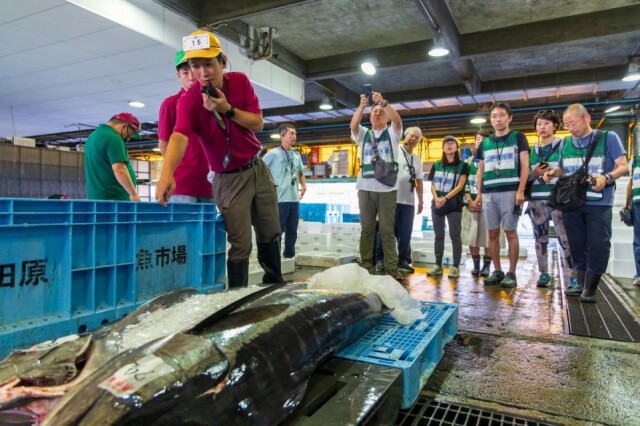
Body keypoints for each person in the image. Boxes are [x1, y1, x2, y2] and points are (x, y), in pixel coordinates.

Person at [155, 30, 284, 288]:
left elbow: (257, 123)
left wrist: (227, 109)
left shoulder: (240, 82)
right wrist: (166, 173)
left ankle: (274, 283)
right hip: (227, 178)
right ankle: (236, 297)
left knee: (270, 230)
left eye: (208, 64)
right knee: (240, 242)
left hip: (257, 167)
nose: (203, 72)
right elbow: (179, 136)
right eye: (195, 66)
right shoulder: (188, 101)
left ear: (222, 61)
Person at [548, 104, 627, 302]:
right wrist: (552, 173)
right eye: (566, 124)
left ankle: (591, 287)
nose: (570, 128)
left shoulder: (608, 138)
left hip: (599, 203)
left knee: (598, 244)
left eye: (572, 123)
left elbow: (623, 166)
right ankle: (581, 282)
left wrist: (607, 178)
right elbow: (562, 168)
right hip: (572, 202)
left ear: (586, 118)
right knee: (576, 243)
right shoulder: (566, 143)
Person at [350, 90, 403, 282]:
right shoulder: (364, 134)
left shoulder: (392, 132)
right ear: (370, 116)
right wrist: (362, 106)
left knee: (388, 230)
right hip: (365, 187)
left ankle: (391, 268)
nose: (378, 113)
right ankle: (366, 264)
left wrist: (384, 102)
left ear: (386, 116)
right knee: (367, 229)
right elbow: (353, 125)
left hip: (387, 188)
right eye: (374, 112)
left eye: (381, 112)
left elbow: (397, 121)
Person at [475, 102, 530, 287]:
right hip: (489, 193)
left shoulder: (518, 137)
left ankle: (512, 273)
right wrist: (479, 193)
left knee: (511, 232)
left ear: (509, 117)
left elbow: (525, 166)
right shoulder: (485, 143)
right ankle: (497, 270)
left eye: (501, 115)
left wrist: (521, 190)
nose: (497, 119)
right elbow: (480, 171)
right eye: (494, 116)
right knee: (492, 234)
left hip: (510, 191)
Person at [526, 110, 577, 288]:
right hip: (536, 200)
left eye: (547, 123)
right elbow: (525, 177)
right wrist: (534, 174)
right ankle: (544, 273)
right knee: (540, 238)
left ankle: (573, 275)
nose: (542, 127)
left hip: (559, 200)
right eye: (539, 123)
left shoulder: (564, 145)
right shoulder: (532, 150)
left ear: (555, 125)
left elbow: (569, 169)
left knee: (566, 237)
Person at [158, 50, 213, 204]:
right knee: (185, 228)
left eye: (193, 70)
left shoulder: (214, 102)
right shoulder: (171, 104)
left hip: (212, 184)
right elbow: (164, 146)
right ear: (178, 76)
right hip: (183, 186)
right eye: (185, 72)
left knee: (212, 228)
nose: (191, 77)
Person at [374, 127, 424, 273]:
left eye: (417, 138)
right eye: (411, 135)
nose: (413, 139)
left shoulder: (417, 159)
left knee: (405, 232)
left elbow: (419, 182)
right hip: (391, 199)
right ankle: (380, 259)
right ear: (405, 136)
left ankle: (402, 260)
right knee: (386, 231)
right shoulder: (394, 152)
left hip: (408, 202)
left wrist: (421, 201)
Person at [263, 123, 307, 259]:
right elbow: (260, 170)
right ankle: (275, 258)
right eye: (291, 133)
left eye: (295, 134)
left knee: (292, 231)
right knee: (278, 231)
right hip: (280, 199)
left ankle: (289, 257)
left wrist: (304, 185)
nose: (294, 136)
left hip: (294, 199)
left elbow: (300, 172)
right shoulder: (273, 154)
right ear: (283, 135)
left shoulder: (296, 154)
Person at [426, 135, 468, 278]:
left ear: (457, 147)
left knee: (455, 235)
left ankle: (455, 266)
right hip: (437, 203)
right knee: (439, 235)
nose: (449, 145)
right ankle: (438, 265)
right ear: (443, 147)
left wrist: (445, 198)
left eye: (452, 143)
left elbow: (460, 185)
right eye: (446, 143)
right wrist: (436, 198)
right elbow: (431, 184)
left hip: (453, 203)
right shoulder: (436, 164)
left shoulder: (463, 165)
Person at [84, 112, 141, 201]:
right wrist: (133, 194)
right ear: (124, 126)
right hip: (114, 199)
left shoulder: (92, 136)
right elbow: (119, 169)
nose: (128, 138)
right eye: (129, 134)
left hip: (97, 197)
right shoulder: (114, 138)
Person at [462, 129, 492, 277]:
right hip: (471, 204)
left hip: (489, 204)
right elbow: (463, 183)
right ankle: (475, 265)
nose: (480, 142)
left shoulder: (493, 160)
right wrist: (470, 200)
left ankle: (487, 266)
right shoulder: (467, 162)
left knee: (489, 237)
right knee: (471, 235)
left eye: (484, 139)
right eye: (478, 139)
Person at [623, 154, 640, 287]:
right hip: (637, 202)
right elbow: (631, 182)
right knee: (638, 241)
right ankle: (639, 274)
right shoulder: (635, 160)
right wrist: (626, 204)